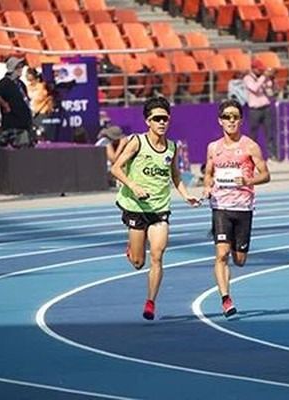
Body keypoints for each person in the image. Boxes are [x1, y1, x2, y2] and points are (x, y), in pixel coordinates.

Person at [111, 96, 200, 320]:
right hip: (136, 207)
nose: (161, 122)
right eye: (157, 119)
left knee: (158, 255)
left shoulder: (172, 147)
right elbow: (116, 168)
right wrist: (133, 185)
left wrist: (186, 195)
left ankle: (150, 302)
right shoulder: (137, 142)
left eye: (165, 118)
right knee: (138, 262)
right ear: (147, 121)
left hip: (160, 208)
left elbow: (175, 175)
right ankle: (132, 249)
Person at [202, 99, 271, 317]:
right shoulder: (213, 147)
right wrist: (207, 187)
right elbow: (208, 174)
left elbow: (266, 175)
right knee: (221, 254)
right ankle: (226, 299)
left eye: (235, 117)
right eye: (227, 117)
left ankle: (234, 246)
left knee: (239, 260)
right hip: (220, 206)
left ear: (241, 120)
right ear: (220, 121)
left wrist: (248, 181)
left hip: (243, 208)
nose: (231, 121)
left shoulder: (250, 146)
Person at [0, 57, 33, 148]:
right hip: (13, 122)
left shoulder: (20, 83)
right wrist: (5, 104)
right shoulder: (5, 82)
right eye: (18, 67)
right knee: (19, 147)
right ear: (13, 69)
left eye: (21, 67)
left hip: (24, 121)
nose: (21, 69)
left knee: (27, 147)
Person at [243, 57, 278, 160]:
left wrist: (271, 79)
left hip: (266, 108)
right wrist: (263, 77)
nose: (261, 71)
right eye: (259, 69)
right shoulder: (247, 78)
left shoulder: (264, 78)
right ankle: (252, 156)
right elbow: (254, 88)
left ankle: (272, 155)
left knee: (270, 133)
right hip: (255, 110)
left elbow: (270, 91)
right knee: (253, 134)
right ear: (253, 69)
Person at [25, 67, 53, 141]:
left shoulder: (42, 86)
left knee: (42, 133)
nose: (26, 76)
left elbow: (49, 98)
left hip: (42, 113)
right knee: (33, 133)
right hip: (32, 114)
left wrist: (45, 108)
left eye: (28, 74)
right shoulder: (27, 87)